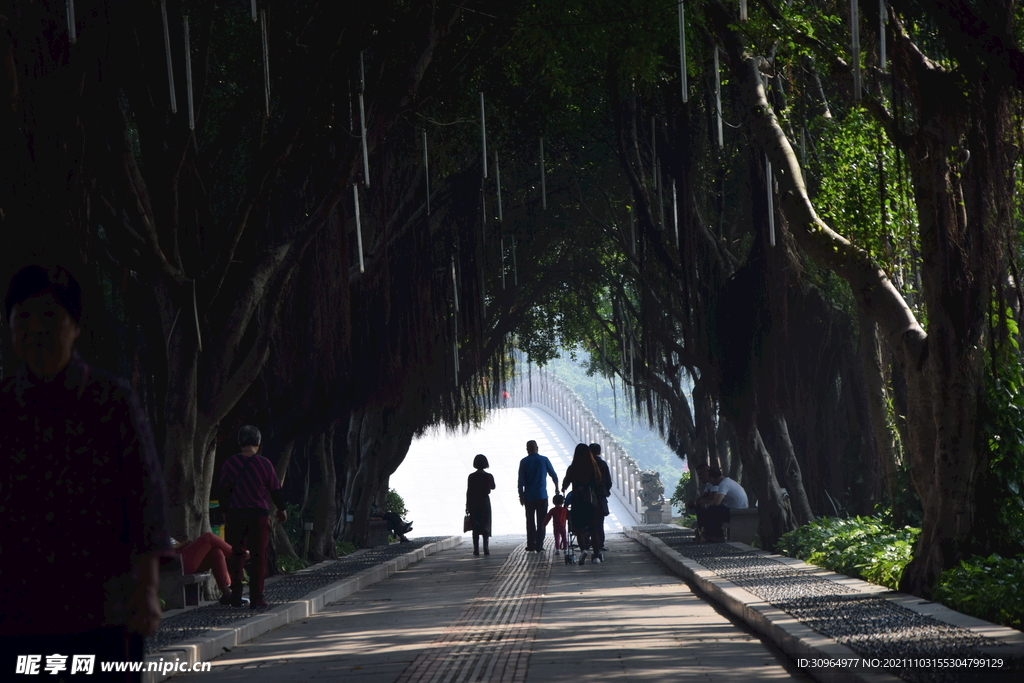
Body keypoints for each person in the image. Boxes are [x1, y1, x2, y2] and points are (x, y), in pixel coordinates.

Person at [1, 265, 171, 680]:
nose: (36, 328)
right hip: (19, 612)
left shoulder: (111, 402)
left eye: (49, 316)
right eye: (23, 316)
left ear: (74, 326)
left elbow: (145, 497)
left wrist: (148, 590)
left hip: (105, 610)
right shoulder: (4, 407)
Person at [218, 426, 287, 608]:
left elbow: (223, 491)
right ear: (258, 442)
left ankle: (235, 595)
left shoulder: (230, 463)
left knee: (237, 555)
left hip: (236, 514)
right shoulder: (264, 464)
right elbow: (275, 489)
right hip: (258, 515)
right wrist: (282, 509)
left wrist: (225, 513)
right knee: (258, 556)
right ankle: (257, 598)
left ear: (240, 442)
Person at [170, 534, 248, 605]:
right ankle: (240, 554)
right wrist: (181, 545)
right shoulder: (157, 532)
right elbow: (162, 549)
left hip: (181, 559)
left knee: (216, 552)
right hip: (176, 563)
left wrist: (184, 545)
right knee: (208, 537)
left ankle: (227, 593)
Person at [562, 443, 605, 564]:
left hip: (578, 502)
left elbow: (565, 484)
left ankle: (583, 550)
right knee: (594, 528)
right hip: (592, 502)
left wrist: (564, 488)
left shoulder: (573, 467)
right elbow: (599, 481)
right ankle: (596, 555)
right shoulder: (594, 466)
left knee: (580, 528)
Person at [517, 439, 558, 552]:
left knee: (530, 521)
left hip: (529, 497)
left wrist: (521, 495)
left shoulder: (524, 462)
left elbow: (521, 480)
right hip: (542, 496)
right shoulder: (544, 460)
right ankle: (539, 545)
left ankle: (531, 545)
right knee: (542, 522)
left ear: (527, 450)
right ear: (537, 448)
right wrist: (557, 488)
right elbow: (554, 475)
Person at [695, 467, 749, 542]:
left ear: (711, 478)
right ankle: (707, 534)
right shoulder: (728, 481)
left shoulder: (724, 484)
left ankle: (717, 536)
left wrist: (707, 505)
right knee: (711, 509)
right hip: (737, 509)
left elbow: (717, 502)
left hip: (736, 511)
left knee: (712, 509)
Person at [466, 454, 496, 555]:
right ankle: (486, 548)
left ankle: (476, 549)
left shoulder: (471, 476)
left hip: (474, 502)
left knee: (475, 526)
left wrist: (467, 505)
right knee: (485, 525)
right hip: (485, 501)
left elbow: (469, 491)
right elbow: (493, 487)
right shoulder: (488, 476)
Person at [588, 443, 613, 553]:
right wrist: (606, 491)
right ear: (599, 452)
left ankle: (589, 542)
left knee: (589, 520)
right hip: (600, 496)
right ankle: (600, 543)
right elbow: (608, 480)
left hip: (588, 497)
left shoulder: (586, 464)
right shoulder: (602, 464)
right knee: (599, 521)